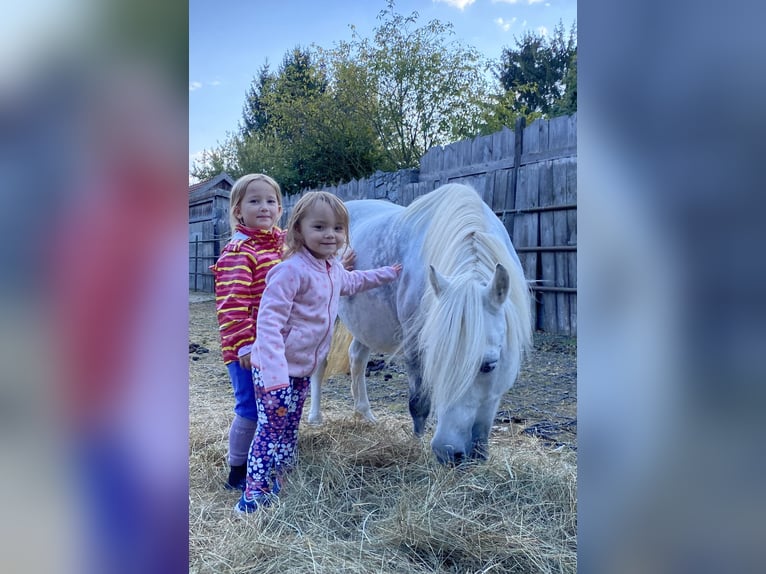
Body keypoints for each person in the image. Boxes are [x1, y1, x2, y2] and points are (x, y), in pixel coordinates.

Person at [235, 191, 402, 513]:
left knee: (288, 428)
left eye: (338, 229)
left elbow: (354, 282)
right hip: (276, 371)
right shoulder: (289, 272)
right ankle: (252, 496)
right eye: (320, 227)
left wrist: (389, 273)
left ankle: (281, 478)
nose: (330, 235)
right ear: (298, 230)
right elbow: (267, 326)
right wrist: (274, 375)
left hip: (300, 370)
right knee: (270, 432)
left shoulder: (332, 269)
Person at [210, 173, 285, 490]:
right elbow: (231, 303)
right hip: (247, 348)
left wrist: (338, 268)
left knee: (274, 406)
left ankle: (265, 459)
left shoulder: (280, 245)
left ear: (280, 208)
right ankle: (237, 471)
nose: (264, 207)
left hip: (274, 346)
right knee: (250, 409)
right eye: (255, 201)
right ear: (238, 210)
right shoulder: (239, 251)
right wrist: (243, 345)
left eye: (271, 201)